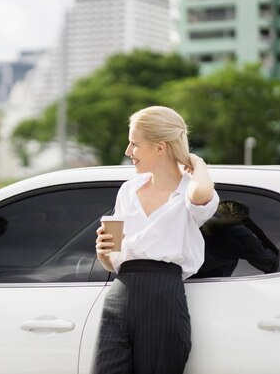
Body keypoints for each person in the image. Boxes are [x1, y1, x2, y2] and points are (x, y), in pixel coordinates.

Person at [92, 106, 219, 374]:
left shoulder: (190, 190)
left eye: (134, 144)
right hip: (120, 293)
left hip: (163, 295)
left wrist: (198, 163)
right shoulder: (128, 190)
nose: (128, 152)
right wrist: (104, 254)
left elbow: (202, 194)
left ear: (160, 148)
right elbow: (113, 261)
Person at [193, 199, 279, 278]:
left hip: (190, 280)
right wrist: (258, 232)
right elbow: (272, 264)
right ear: (243, 218)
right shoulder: (240, 235)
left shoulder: (198, 221)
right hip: (213, 285)